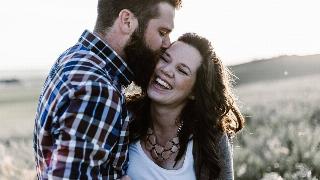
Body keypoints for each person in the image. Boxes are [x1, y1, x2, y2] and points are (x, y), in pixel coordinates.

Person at [33, 0, 182, 179]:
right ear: (127, 21)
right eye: (162, 32)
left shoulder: (74, 57)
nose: (167, 44)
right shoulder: (99, 90)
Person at [126, 33, 245, 180]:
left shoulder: (211, 139)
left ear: (194, 91)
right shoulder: (123, 117)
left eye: (182, 70)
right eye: (165, 59)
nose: (166, 70)